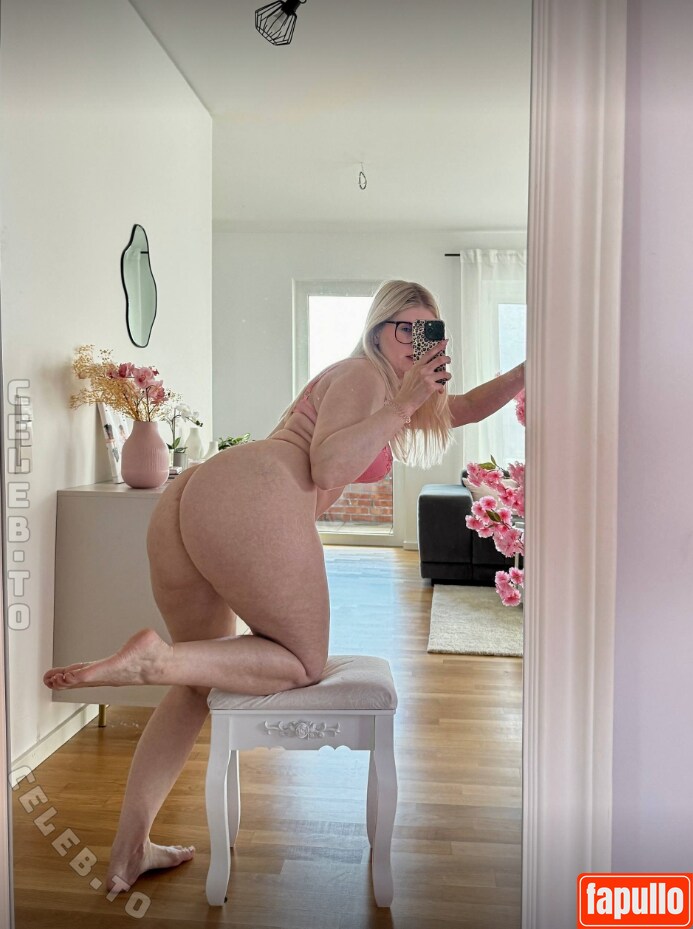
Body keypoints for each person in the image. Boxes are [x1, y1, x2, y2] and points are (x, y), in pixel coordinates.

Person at [43, 280, 525, 893]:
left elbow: (466, 407)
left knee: (195, 684)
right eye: (404, 327)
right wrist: (401, 406)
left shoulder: (390, 389)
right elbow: (326, 467)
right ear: (377, 331)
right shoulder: (365, 375)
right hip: (256, 495)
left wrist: (526, 371)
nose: (416, 341)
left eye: (429, 331)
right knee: (301, 662)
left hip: (196, 495)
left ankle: (128, 852)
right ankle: (155, 661)